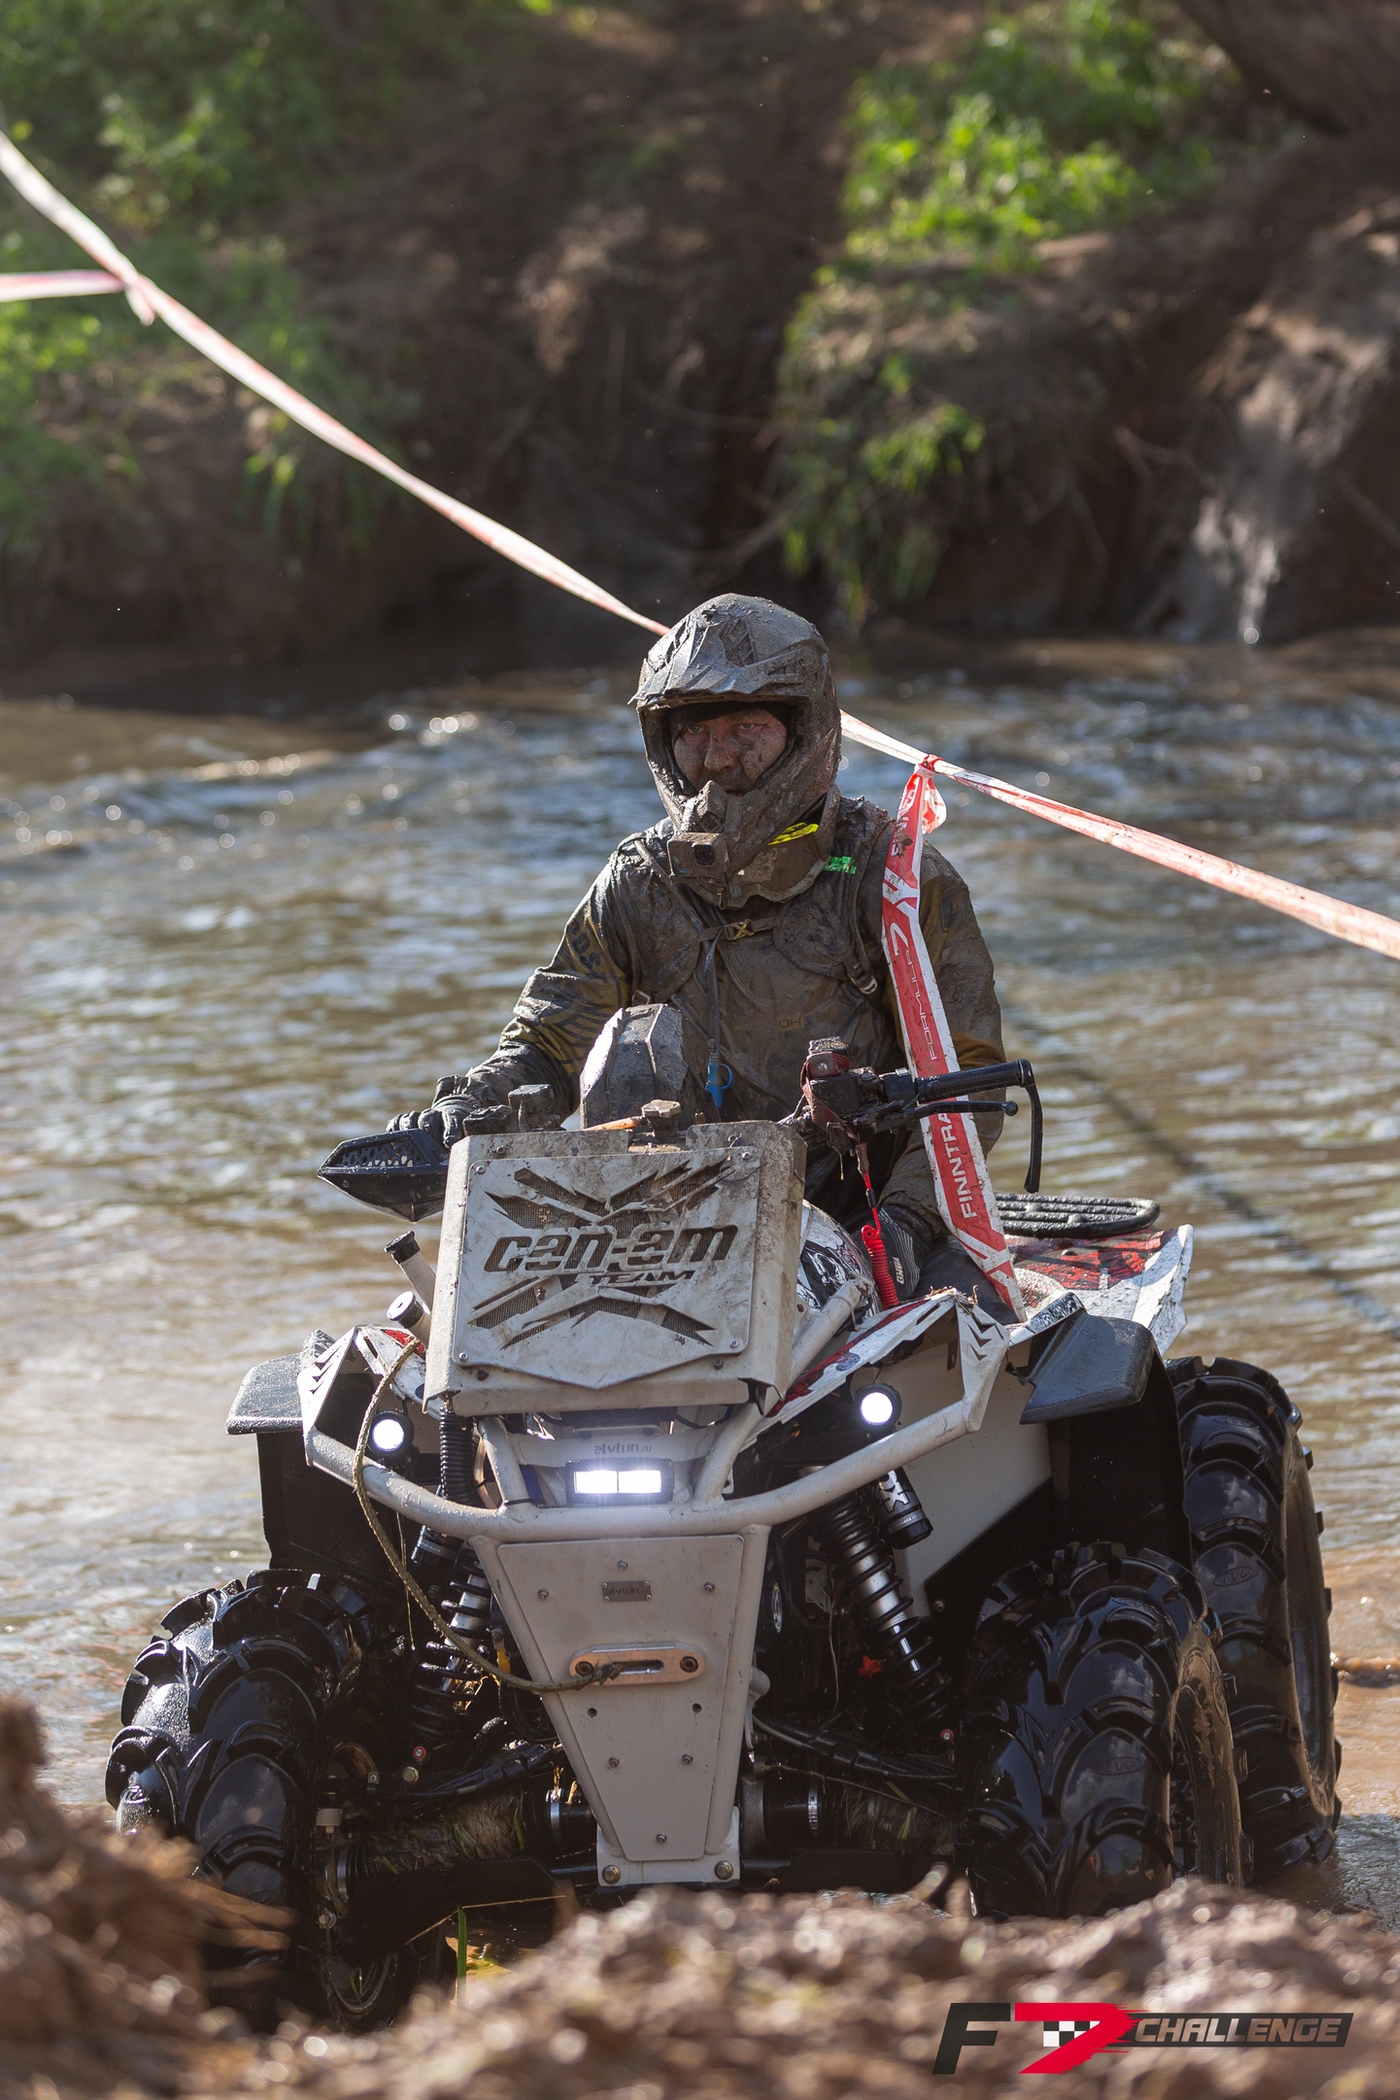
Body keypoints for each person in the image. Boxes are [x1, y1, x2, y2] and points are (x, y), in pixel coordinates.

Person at [391, 594, 1005, 1298]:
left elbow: (970, 1077)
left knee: (973, 1322)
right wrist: (466, 1112)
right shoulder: (638, 883)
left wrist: (907, 1219)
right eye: (695, 733)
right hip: (674, 1230)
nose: (717, 759)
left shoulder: (894, 879)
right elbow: (550, 1046)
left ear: (803, 730)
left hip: (863, 1220)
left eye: (746, 729)